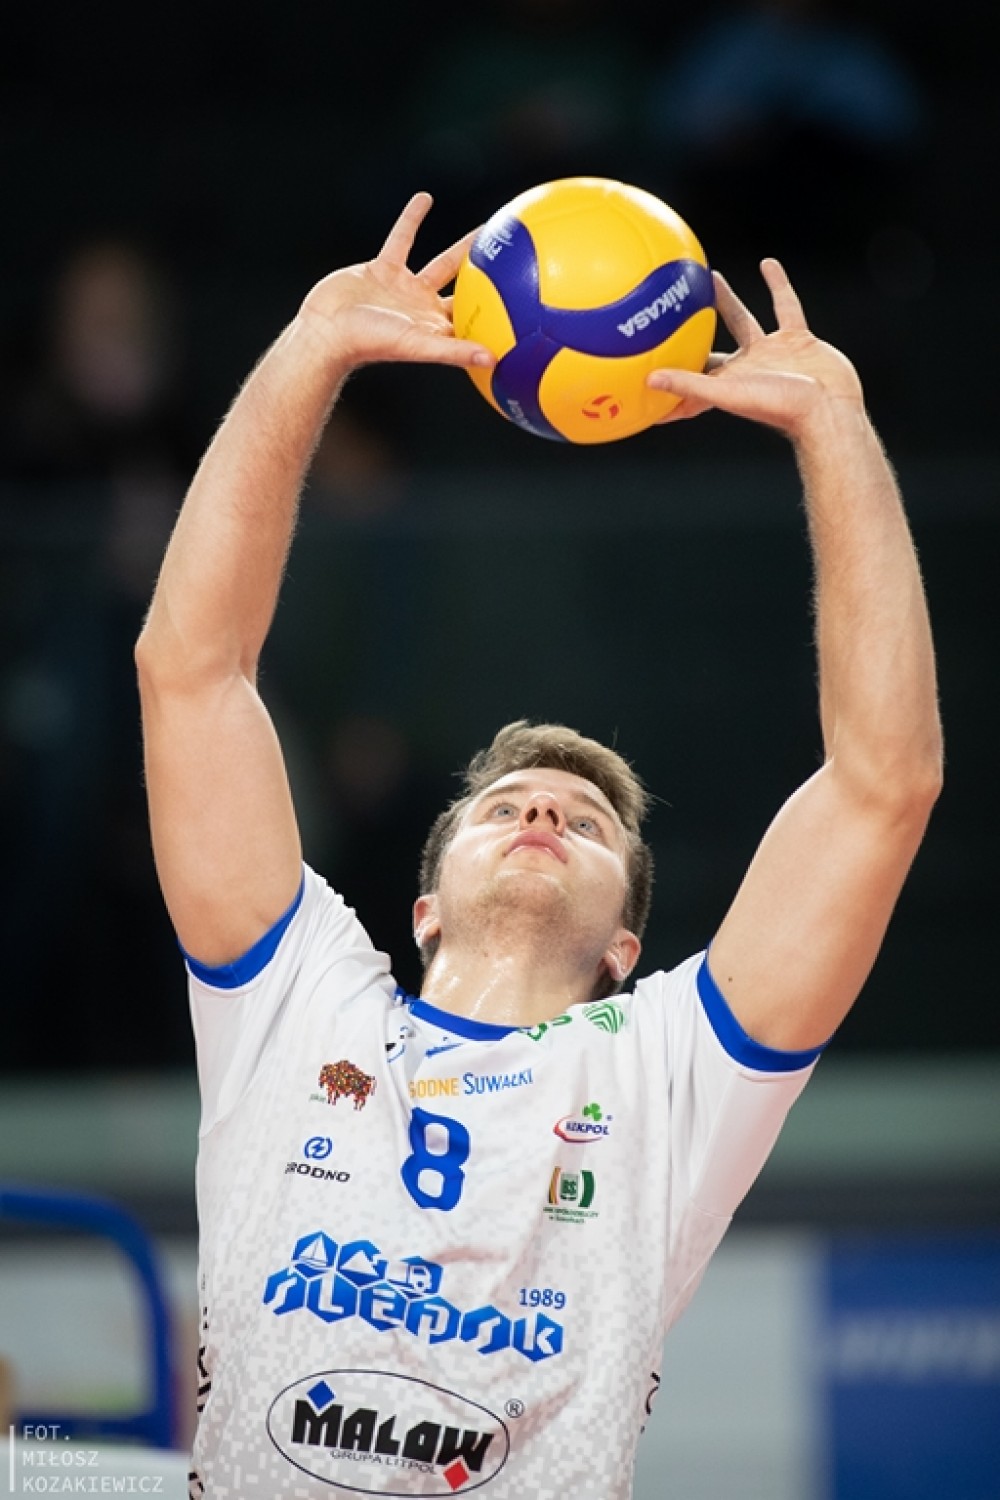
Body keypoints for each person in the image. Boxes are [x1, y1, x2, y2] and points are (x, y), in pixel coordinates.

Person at [134, 193, 941, 1499]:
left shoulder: (669, 1073)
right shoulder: (300, 1004)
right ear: (422, 909)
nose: (542, 813)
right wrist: (310, 350)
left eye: (588, 819)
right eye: (504, 804)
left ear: (627, 944)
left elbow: (882, 786)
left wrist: (833, 429)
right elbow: (191, 674)